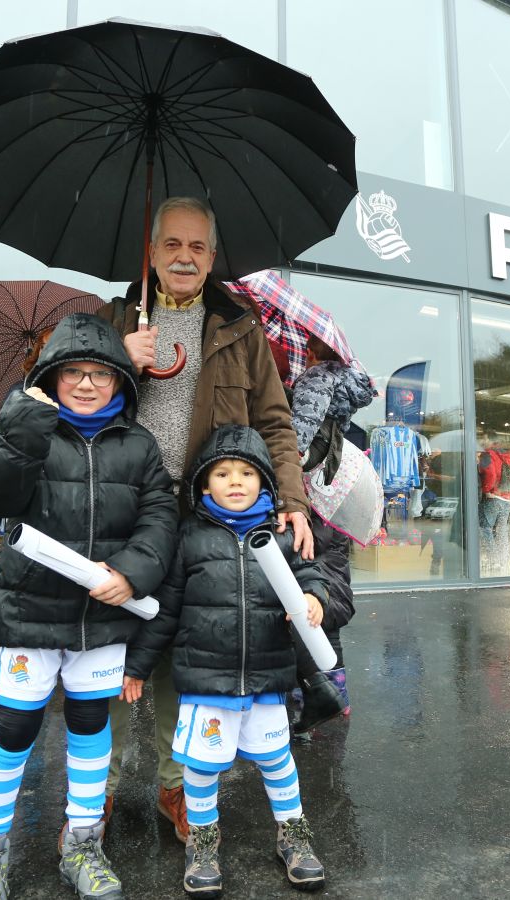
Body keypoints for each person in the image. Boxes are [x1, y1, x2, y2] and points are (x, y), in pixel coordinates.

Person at [100, 196, 312, 842]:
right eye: (172, 245)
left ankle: (174, 785)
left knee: (180, 660)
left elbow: (274, 422)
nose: (185, 257)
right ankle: (96, 793)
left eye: (197, 247)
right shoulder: (112, 317)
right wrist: (116, 359)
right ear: (153, 252)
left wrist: (294, 500)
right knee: (109, 655)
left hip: (202, 520)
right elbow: (66, 402)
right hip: (125, 515)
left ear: (212, 257)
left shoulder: (240, 327)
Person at [0, 314, 176, 900]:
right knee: (12, 730)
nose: (86, 384)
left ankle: (83, 844)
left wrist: (130, 574)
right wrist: (23, 418)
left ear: (119, 383)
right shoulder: (29, 428)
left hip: (102, 620)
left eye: (100, 374)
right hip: (31, 615)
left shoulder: (139, 444)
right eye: (74, 372)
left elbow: (159, 517)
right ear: (52, 377)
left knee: (90, 729)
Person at [123, 424, 329, 896]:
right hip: (204, 682)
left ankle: (293, 836)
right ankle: (203, 842)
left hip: (266, 677)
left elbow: (311, 576)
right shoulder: (189, 538)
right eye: (221, 473)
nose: (234, 481)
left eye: (245, 473)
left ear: (263, 483)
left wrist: (315, 597)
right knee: (200, 769)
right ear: (203, 483)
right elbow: (167, 609)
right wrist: (138, 665)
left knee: (278, 760)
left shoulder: (279, 536)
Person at [285, 335, 372, 735]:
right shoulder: (344, 390)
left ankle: (312, 691)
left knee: (308, 592)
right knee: (328, 587)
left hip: (309, 500)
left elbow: (296, 447)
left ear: (317, 350)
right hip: (333, 499)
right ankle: (337, 689)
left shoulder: (316, 381)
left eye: (306, 343)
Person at [476, 432, 510, 573]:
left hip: (494, 497)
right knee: (501, 530)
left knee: (484, 528)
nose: (482, 440)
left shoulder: (487, 455)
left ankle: (494, 560)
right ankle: (503, 561)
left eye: (484, 438)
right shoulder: (506, 455)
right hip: (507, 498)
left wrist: (487, 490)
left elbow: (491, 473)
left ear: (490, 440)